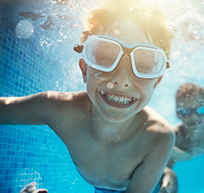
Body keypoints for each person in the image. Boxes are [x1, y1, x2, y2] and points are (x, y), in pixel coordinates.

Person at [0, 0, 175, 192]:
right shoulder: (60, 109)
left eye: (143, 64)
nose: (121, 80)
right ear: (84, 69)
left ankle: (167, 174)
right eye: (105, 56)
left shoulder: (158, 137)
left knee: (166, 183)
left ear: (156, 82)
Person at [159, 83, 204, 193]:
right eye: (185, 111)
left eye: (200, 110)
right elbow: (163, 168)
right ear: (177, 114)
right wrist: (169, 176)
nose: (193, 117)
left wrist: (184, 155)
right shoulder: (173, 138)